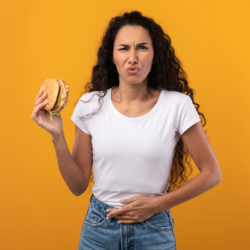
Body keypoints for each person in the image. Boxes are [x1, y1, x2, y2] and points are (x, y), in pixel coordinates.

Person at [31, 10, 222, 250]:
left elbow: (212, 173)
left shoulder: (177, 105)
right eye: (123, 48)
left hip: (154, 231)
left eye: (142, 47)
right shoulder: (90, 104)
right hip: (98, 230)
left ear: (154, 55)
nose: (133, 57)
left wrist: (157, 205)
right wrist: (57, 136)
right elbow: (78, 186)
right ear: (112, 56)